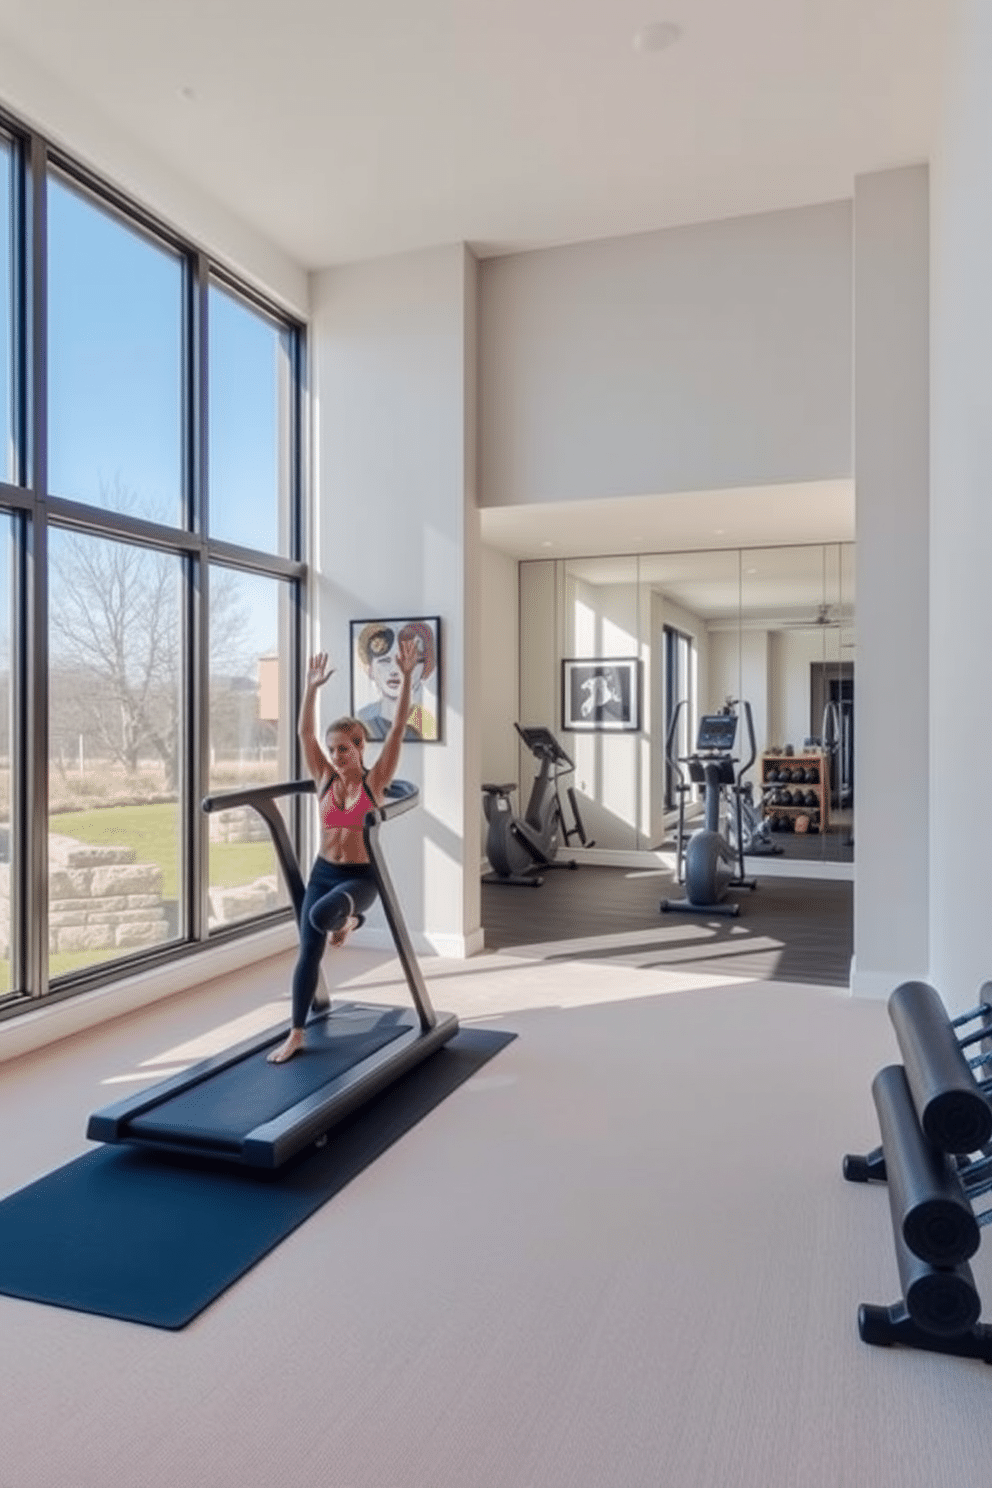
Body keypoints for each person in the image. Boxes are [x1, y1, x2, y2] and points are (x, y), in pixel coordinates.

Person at [267, 638, 419, 1064]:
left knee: (321, 917)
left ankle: (353, 919)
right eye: (332, 750)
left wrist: (407, 678)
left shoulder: (376, 781)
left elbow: (399, 724)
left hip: (360, 878)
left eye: (345, 749)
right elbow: (302, 732)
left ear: (360, 747)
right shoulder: (324, 779)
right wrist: (311, 687)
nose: (336, 756)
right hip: (323, 873)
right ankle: (296, 1032)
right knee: (308, 950)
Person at [355, 620, 438, 741]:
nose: (395, 671)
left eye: (406, 661)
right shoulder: (362, 719)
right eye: (384, 661)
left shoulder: (427, 722)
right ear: (371, 670)